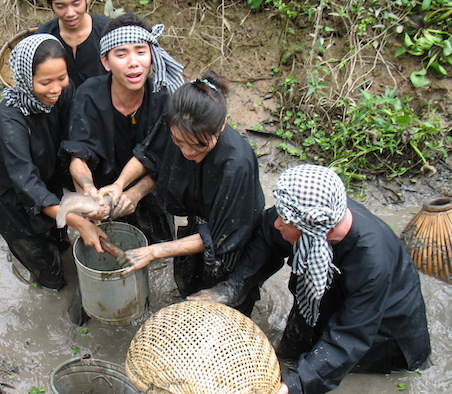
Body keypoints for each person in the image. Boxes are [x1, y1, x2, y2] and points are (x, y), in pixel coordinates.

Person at [194, 164, 431, 393]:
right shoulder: (313, 214)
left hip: (382, 335)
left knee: (316, 372)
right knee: (290, 353)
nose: (277, 223)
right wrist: (234, 286)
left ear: (315, 231)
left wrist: (294, 385)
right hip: (323, 301)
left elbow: (350, 337)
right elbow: (268, 233)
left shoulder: (371, 264)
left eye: (285, 221)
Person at [102, 73, 265, 315]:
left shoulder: (235, 165)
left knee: (223, 310)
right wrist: (120, 185)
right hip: (197, 227)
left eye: (199, 145)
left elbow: (219, 238)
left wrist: (155, 251)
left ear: (221, 126)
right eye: (178, 142)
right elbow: (150, 157)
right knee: (189, 293)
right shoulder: (175, 122)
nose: (187, 152)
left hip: (232, 243)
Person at [0, 33, 106, 290]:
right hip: (14, 206)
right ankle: (37, 272)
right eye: (45, 82)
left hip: (50, 190)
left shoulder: (63, 93)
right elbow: (26, 184)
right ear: (23, 78)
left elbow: (74, 139)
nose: (55, 89)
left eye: (61, 78)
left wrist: (84, 194)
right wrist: (80, 222)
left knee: (62, 244)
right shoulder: (8, 121)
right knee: (52, 280)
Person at [60, 12, 184, 245]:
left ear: (151, 55)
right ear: (106, 62)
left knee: (156, 249)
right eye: (121, 54)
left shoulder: (164, 98)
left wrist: (134, 194)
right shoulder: (88, 95)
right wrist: (88, 189)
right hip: (102, 192)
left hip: (149, 190)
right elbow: (77, 156)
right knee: (103, 244)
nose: (134, 62)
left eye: (140, 51)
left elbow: (168, 162)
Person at [36, 0, 111, 87]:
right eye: (60, 7)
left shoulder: (109, 31)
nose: (70, 13)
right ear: (50, 6)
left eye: (76, 4)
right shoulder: (43, 36)